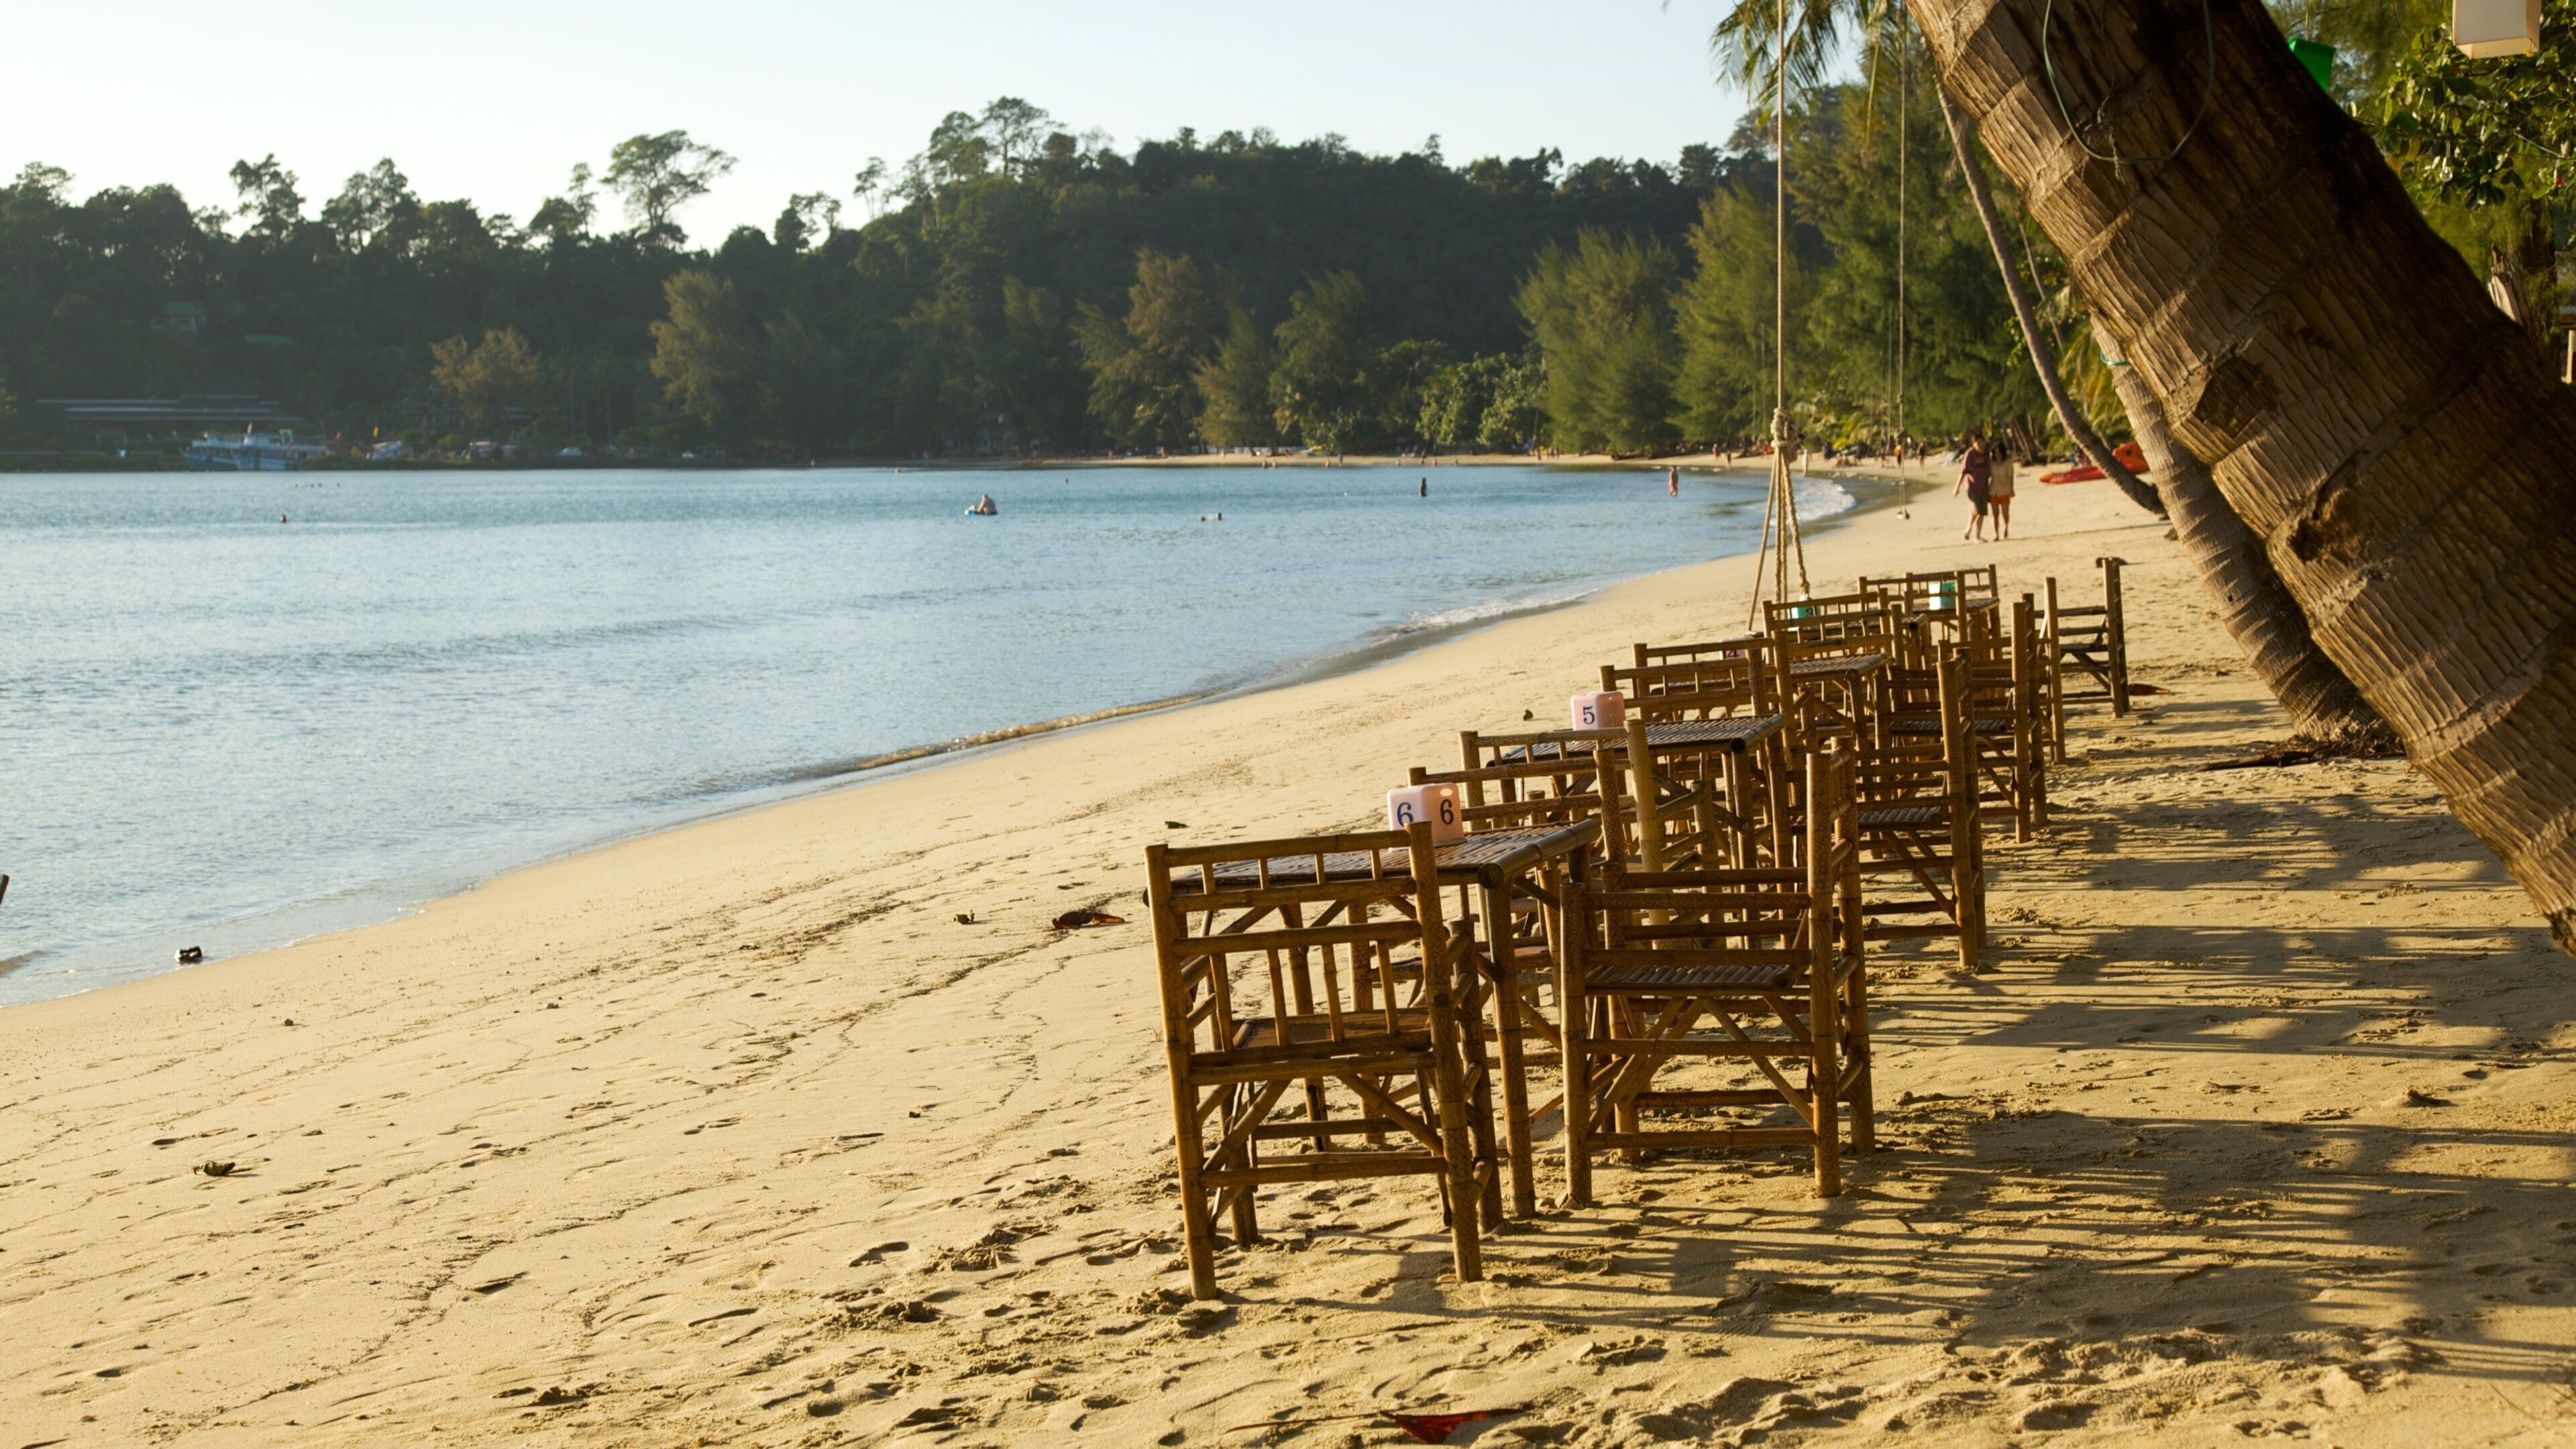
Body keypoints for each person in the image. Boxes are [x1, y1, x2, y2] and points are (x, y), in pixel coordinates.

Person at [1953, 433, 1991, 542]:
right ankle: (1969, 528)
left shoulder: (1986, 454)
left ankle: (1977, 536)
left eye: (1982, 442)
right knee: (1976, 509)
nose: (1981, 445)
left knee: (1982, 512)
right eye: (1978, 443)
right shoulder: (1970, 454)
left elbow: (1990, 470)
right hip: (1972, 488)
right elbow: (1963, 472)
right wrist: (1957, 488)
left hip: (1984, 487)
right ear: (1974, 444)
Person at [1987, 443, 2017, 539]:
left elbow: (2011, 476)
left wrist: (2012, 489)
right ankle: (1996, 534)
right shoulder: (1991, 463)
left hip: (2005, 490)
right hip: (1993, 490)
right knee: (1995, 514)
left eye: (1999, 453)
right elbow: (1988, 476)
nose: (1997, 455)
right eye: (1995, 453)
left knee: (2005, 513)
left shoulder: (2008, 462)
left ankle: (2005, 528)